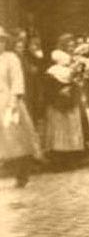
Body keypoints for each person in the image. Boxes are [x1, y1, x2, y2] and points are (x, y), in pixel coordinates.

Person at [0, 26, 42, 188]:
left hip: (9, 101)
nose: (0, 44)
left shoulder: (11, 58)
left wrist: (14, 101)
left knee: (17, 139)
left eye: (2, 41)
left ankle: (22, 173)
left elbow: (17, 80)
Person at [44, 34, 86, 160]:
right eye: (68, 45)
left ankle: (73, 152)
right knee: (60, 127)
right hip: (58, 102)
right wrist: (60, 91)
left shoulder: (76, 63)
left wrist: (73, 86)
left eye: (73, 45)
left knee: (72, 125)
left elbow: (77, 79)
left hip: (72, 99)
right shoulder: (54, 70)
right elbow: (49, 87)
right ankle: (59, 153)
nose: (71, 47)